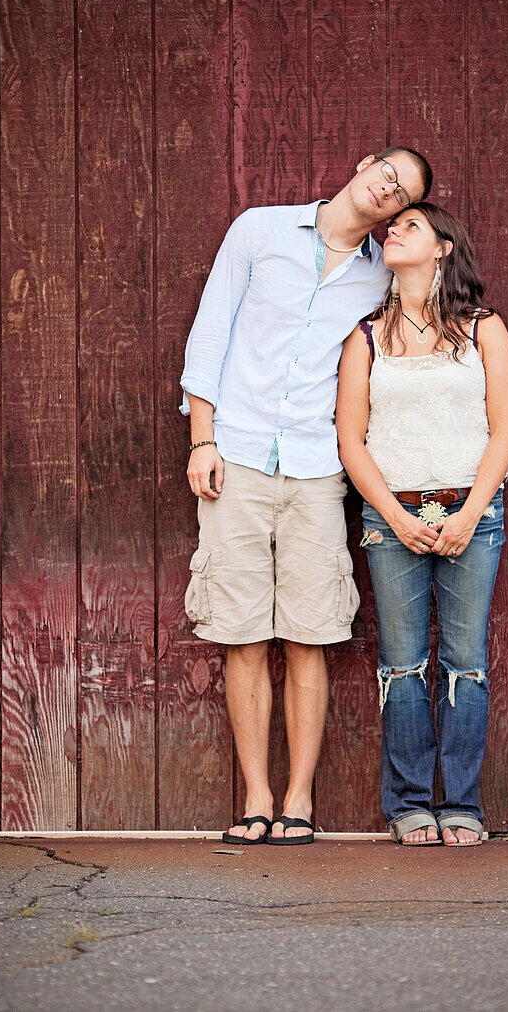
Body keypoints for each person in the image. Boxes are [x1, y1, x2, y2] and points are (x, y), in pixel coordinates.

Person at [181, 148, 433, 844]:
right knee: (240, 633)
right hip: (235, 455)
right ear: (363, 164)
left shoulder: (382, 274)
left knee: (309, 633)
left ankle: (297, 801)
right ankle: (255, 797)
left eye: (401, 193)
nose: (387, 189)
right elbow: (211, 333)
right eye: (387, 172)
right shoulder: (258, 231)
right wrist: (202, 439)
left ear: (396, 212)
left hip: (318, 466)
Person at [335, 202, 508, 846]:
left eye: (412, 226)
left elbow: (506, 430)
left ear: (443, 248)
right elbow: (351, 440)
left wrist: (470, 515)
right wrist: (393, 516)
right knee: (403, 664)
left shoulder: (483, 328)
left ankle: (462, 806)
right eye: (394, 225)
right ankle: (411, 803)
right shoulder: (365, 336)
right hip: (393, 518)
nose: (395, 231)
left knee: (465, 663)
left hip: (474, 510)